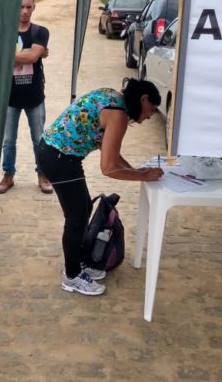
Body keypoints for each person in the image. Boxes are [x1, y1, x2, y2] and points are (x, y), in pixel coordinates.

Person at [37, 79, 164, 296]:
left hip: (58, 154)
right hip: (59, 158)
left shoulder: (114, 98)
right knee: (76, 218)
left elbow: (113, 155)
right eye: (151, 109)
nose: (151, 115)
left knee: (84, 209)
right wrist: (142, 177)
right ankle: (72, 276)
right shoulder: (119, 115)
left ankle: (77, 263)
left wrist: (139, 172)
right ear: (143, 99)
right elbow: (109, 168)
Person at [0, 0, 52, 195]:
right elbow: (31, 55)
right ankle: (8, 175)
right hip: (9, 98)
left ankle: (43, 174)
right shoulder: (4, 31)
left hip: (34, 97)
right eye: (21, 7)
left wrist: (7, 56)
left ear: (34, 7)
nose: (25, 11)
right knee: (8, 141)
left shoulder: (40, 31)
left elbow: (31, 58)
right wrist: (31, 53)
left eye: (29, 7)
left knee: (39, 139)